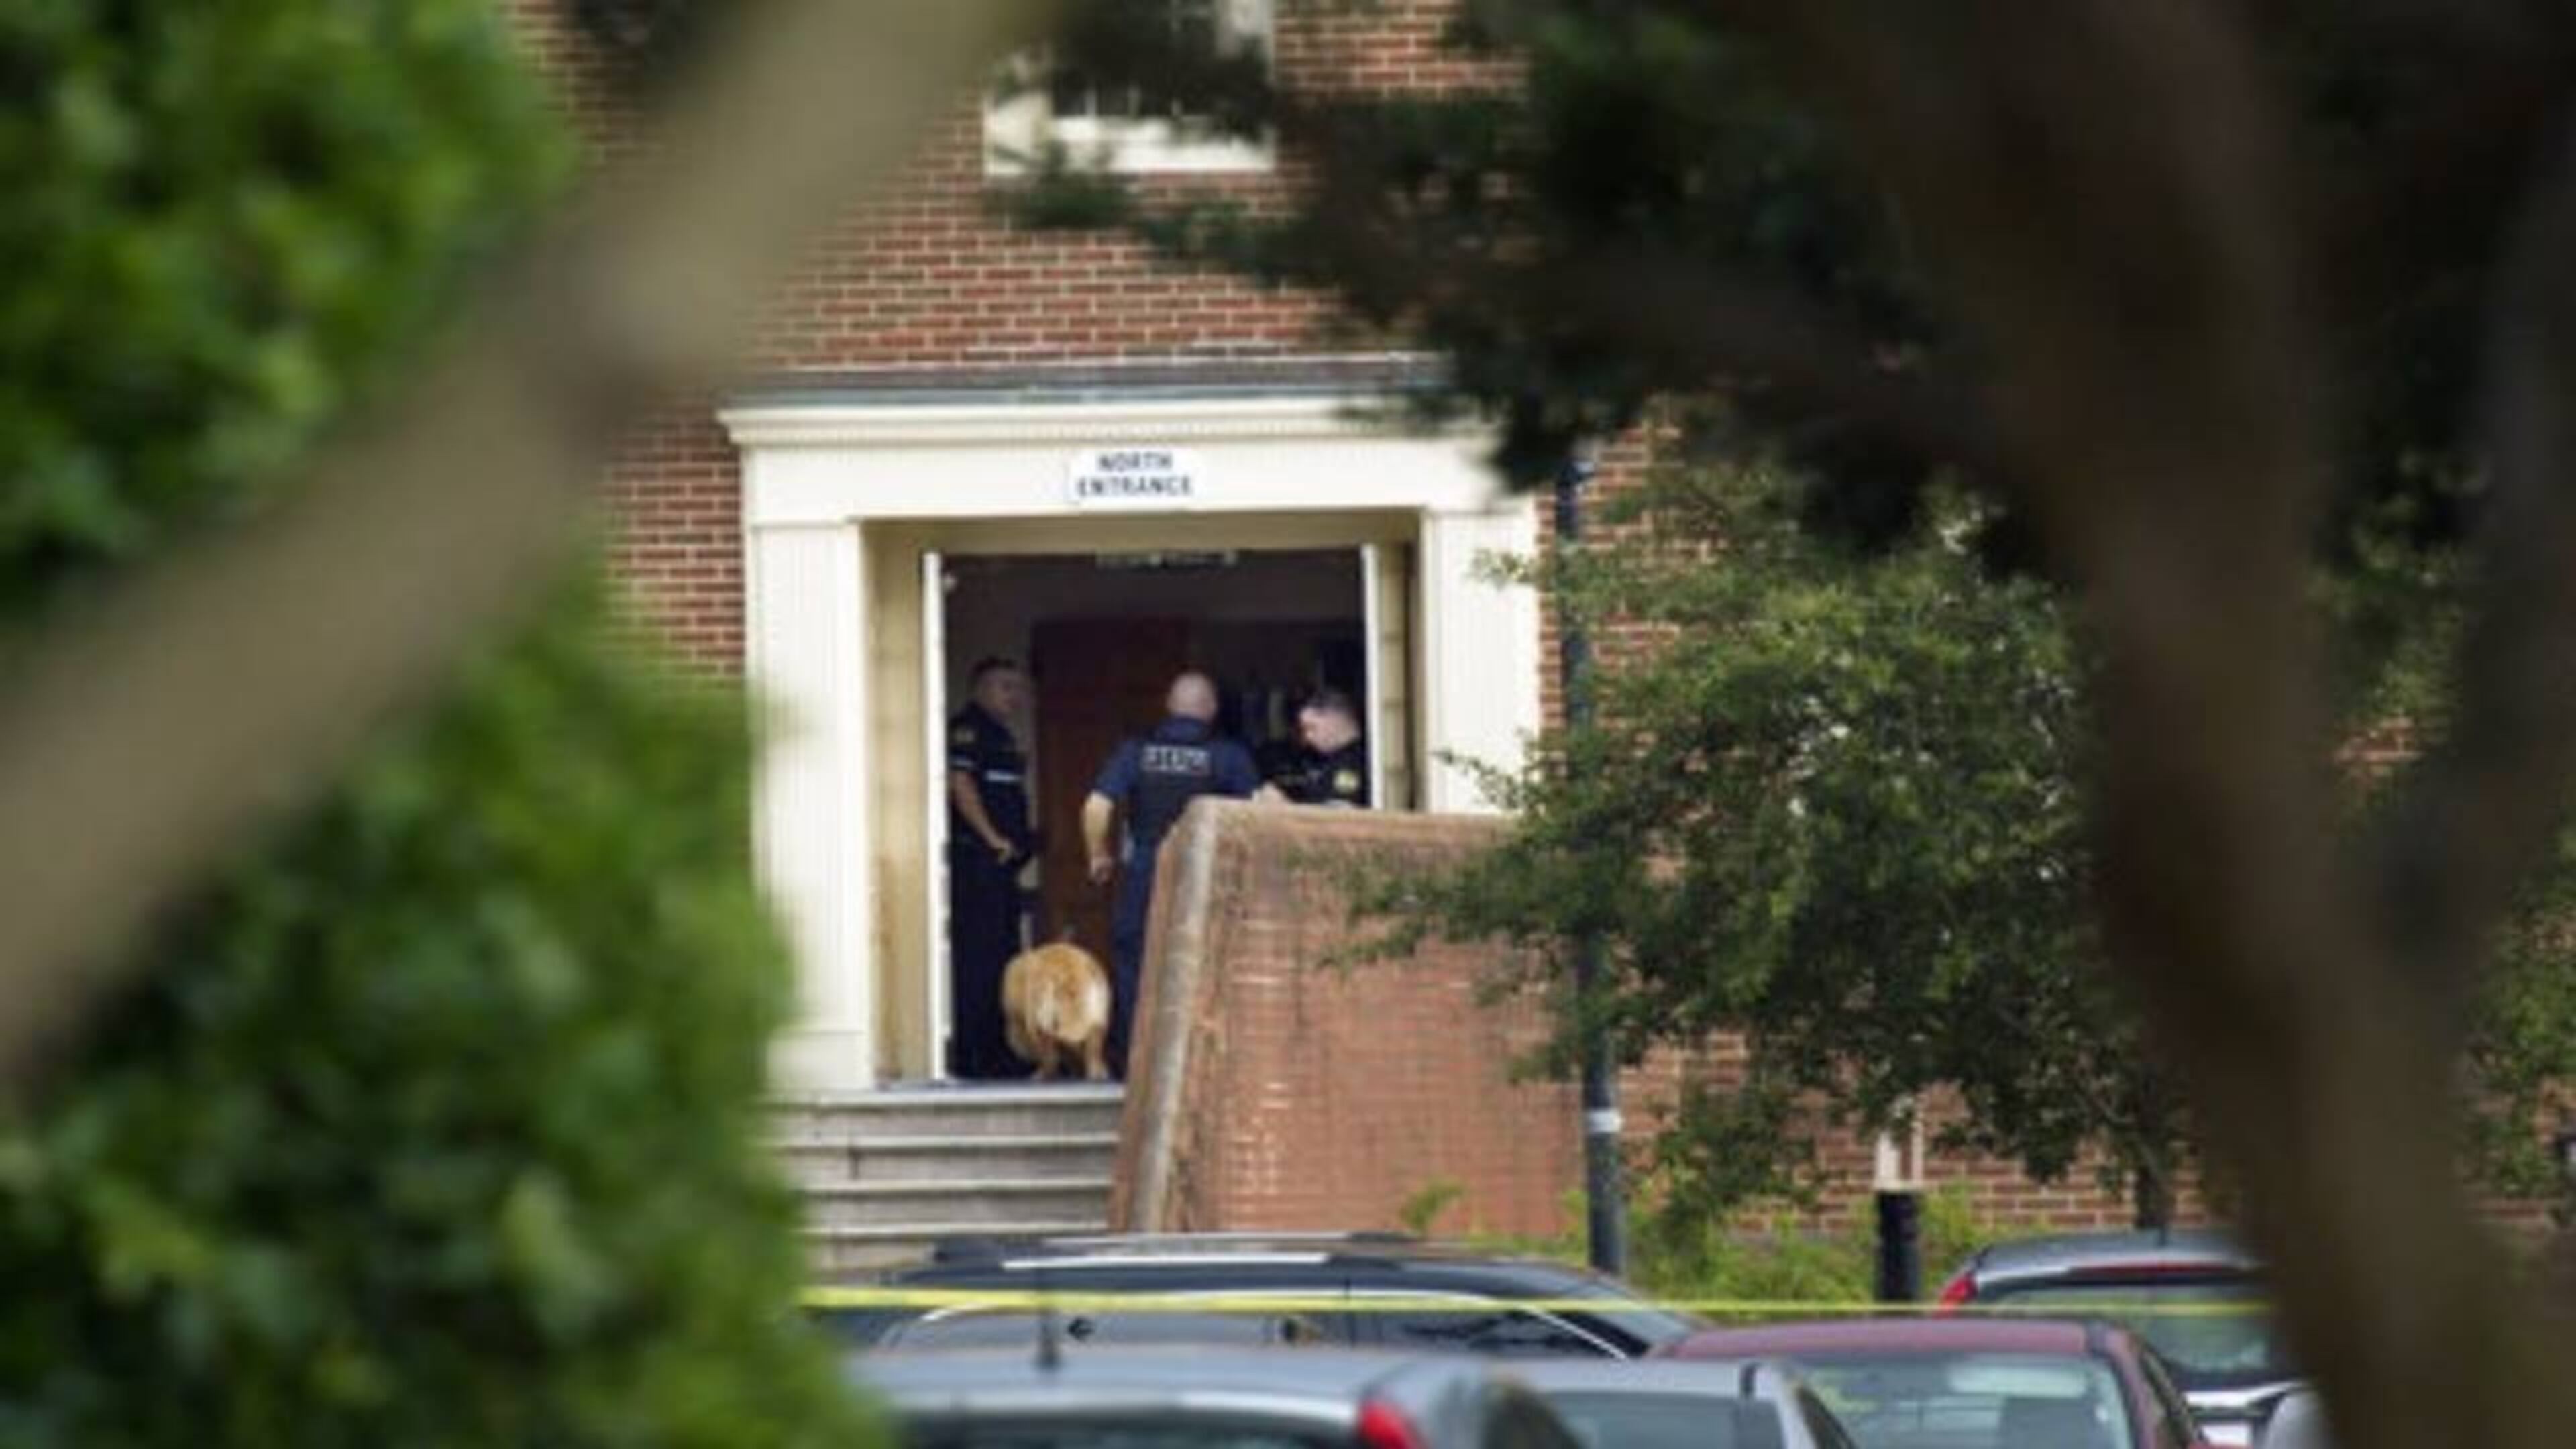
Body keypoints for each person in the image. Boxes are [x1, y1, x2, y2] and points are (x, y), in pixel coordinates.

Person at [1082, 672, 1258, 1075]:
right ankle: (1198, 1062)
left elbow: (1096, 806)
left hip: (1145, 868)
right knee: (1206, 958)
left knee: (1135, 963)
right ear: (1211, 709)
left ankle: (1134, 1060)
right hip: (1206, 871)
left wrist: (1098, 855)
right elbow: (1257, 812)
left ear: (1168, 705)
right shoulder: (1229, 755)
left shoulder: (1135, 751)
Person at [946, 657, 1035, 1079]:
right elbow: (959, 783)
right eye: (1004, 687)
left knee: (1005, 958)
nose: (1013, 696)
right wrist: (991, 837)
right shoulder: (968, 730)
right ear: (979, 689)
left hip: (1002, 870)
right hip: (978, 865)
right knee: (979, 963)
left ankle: (1004, 1051)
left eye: (1017, 688)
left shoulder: (1003, 737)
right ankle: (975, 1055)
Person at [1256, 688, 1371, 808]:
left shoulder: (1357, 762)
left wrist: (1285, 806)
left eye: (1312, 727)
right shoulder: (1327, 759)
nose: (1307, 737)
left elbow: (1338, 817)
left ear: (1334, 721)